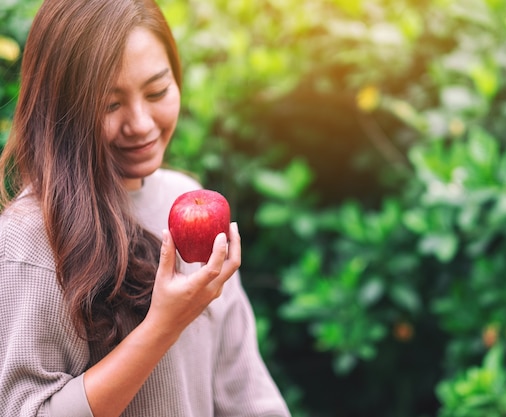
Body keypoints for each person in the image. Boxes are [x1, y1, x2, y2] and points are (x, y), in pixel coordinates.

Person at [0, 0, 291, 416]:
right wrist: (163, 326)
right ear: (61, 108)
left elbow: (246, 391)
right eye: (109, 104)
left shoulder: (184, 197)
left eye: (157, 91)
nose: (140, 123)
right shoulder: (30, 237)